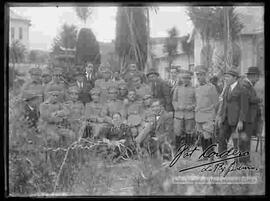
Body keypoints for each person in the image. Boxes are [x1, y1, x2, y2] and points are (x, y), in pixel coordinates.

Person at [216, 69, 249, 164]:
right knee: (221, 139)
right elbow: (224, 104)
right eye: (225, 76)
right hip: (225, 119)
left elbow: (244, 107)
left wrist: (241, 121)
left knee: (237, 142)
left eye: (228, 77)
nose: (226, 78)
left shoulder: (242, 89)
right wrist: (220, 117)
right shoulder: (227, 88)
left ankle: (238, 162)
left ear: (235, 78)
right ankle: (222, 161)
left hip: (236, 121)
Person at [237, 67, 263, 163]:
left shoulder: (249, 86)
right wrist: (240, 120)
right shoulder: (245, 86)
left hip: (249, 119)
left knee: (246, 141)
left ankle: (245, 160)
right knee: (244, 141)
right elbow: (244, 104)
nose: (258, 79)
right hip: (246, 119)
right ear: (252, 76)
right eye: (257, 77)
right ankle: (243, 161)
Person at [194, 65, 219, 161]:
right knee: (202, 136)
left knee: (208, 136)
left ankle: (211, 156)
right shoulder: (196, 88)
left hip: (208, 115)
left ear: (205, 76)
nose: (199, 77)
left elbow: (216, 103)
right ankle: (205, 155)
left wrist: (213, 115)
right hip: (199, 115)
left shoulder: (211, 87)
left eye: (201, 75)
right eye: (197, 75)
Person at [172, 71, 196, 151]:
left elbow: (197, 102)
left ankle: (188, 149)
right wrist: (177, 106)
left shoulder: (194, 89)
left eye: (187, 78)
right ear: (182, 79)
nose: (186, 80)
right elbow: (174, 100)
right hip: (179, 114)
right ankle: (177, 148)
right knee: (177, 131)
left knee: (189, 131)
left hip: (189, 114)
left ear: (190, 79)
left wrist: (192, 106)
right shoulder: (177, 88)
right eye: (184, 78)